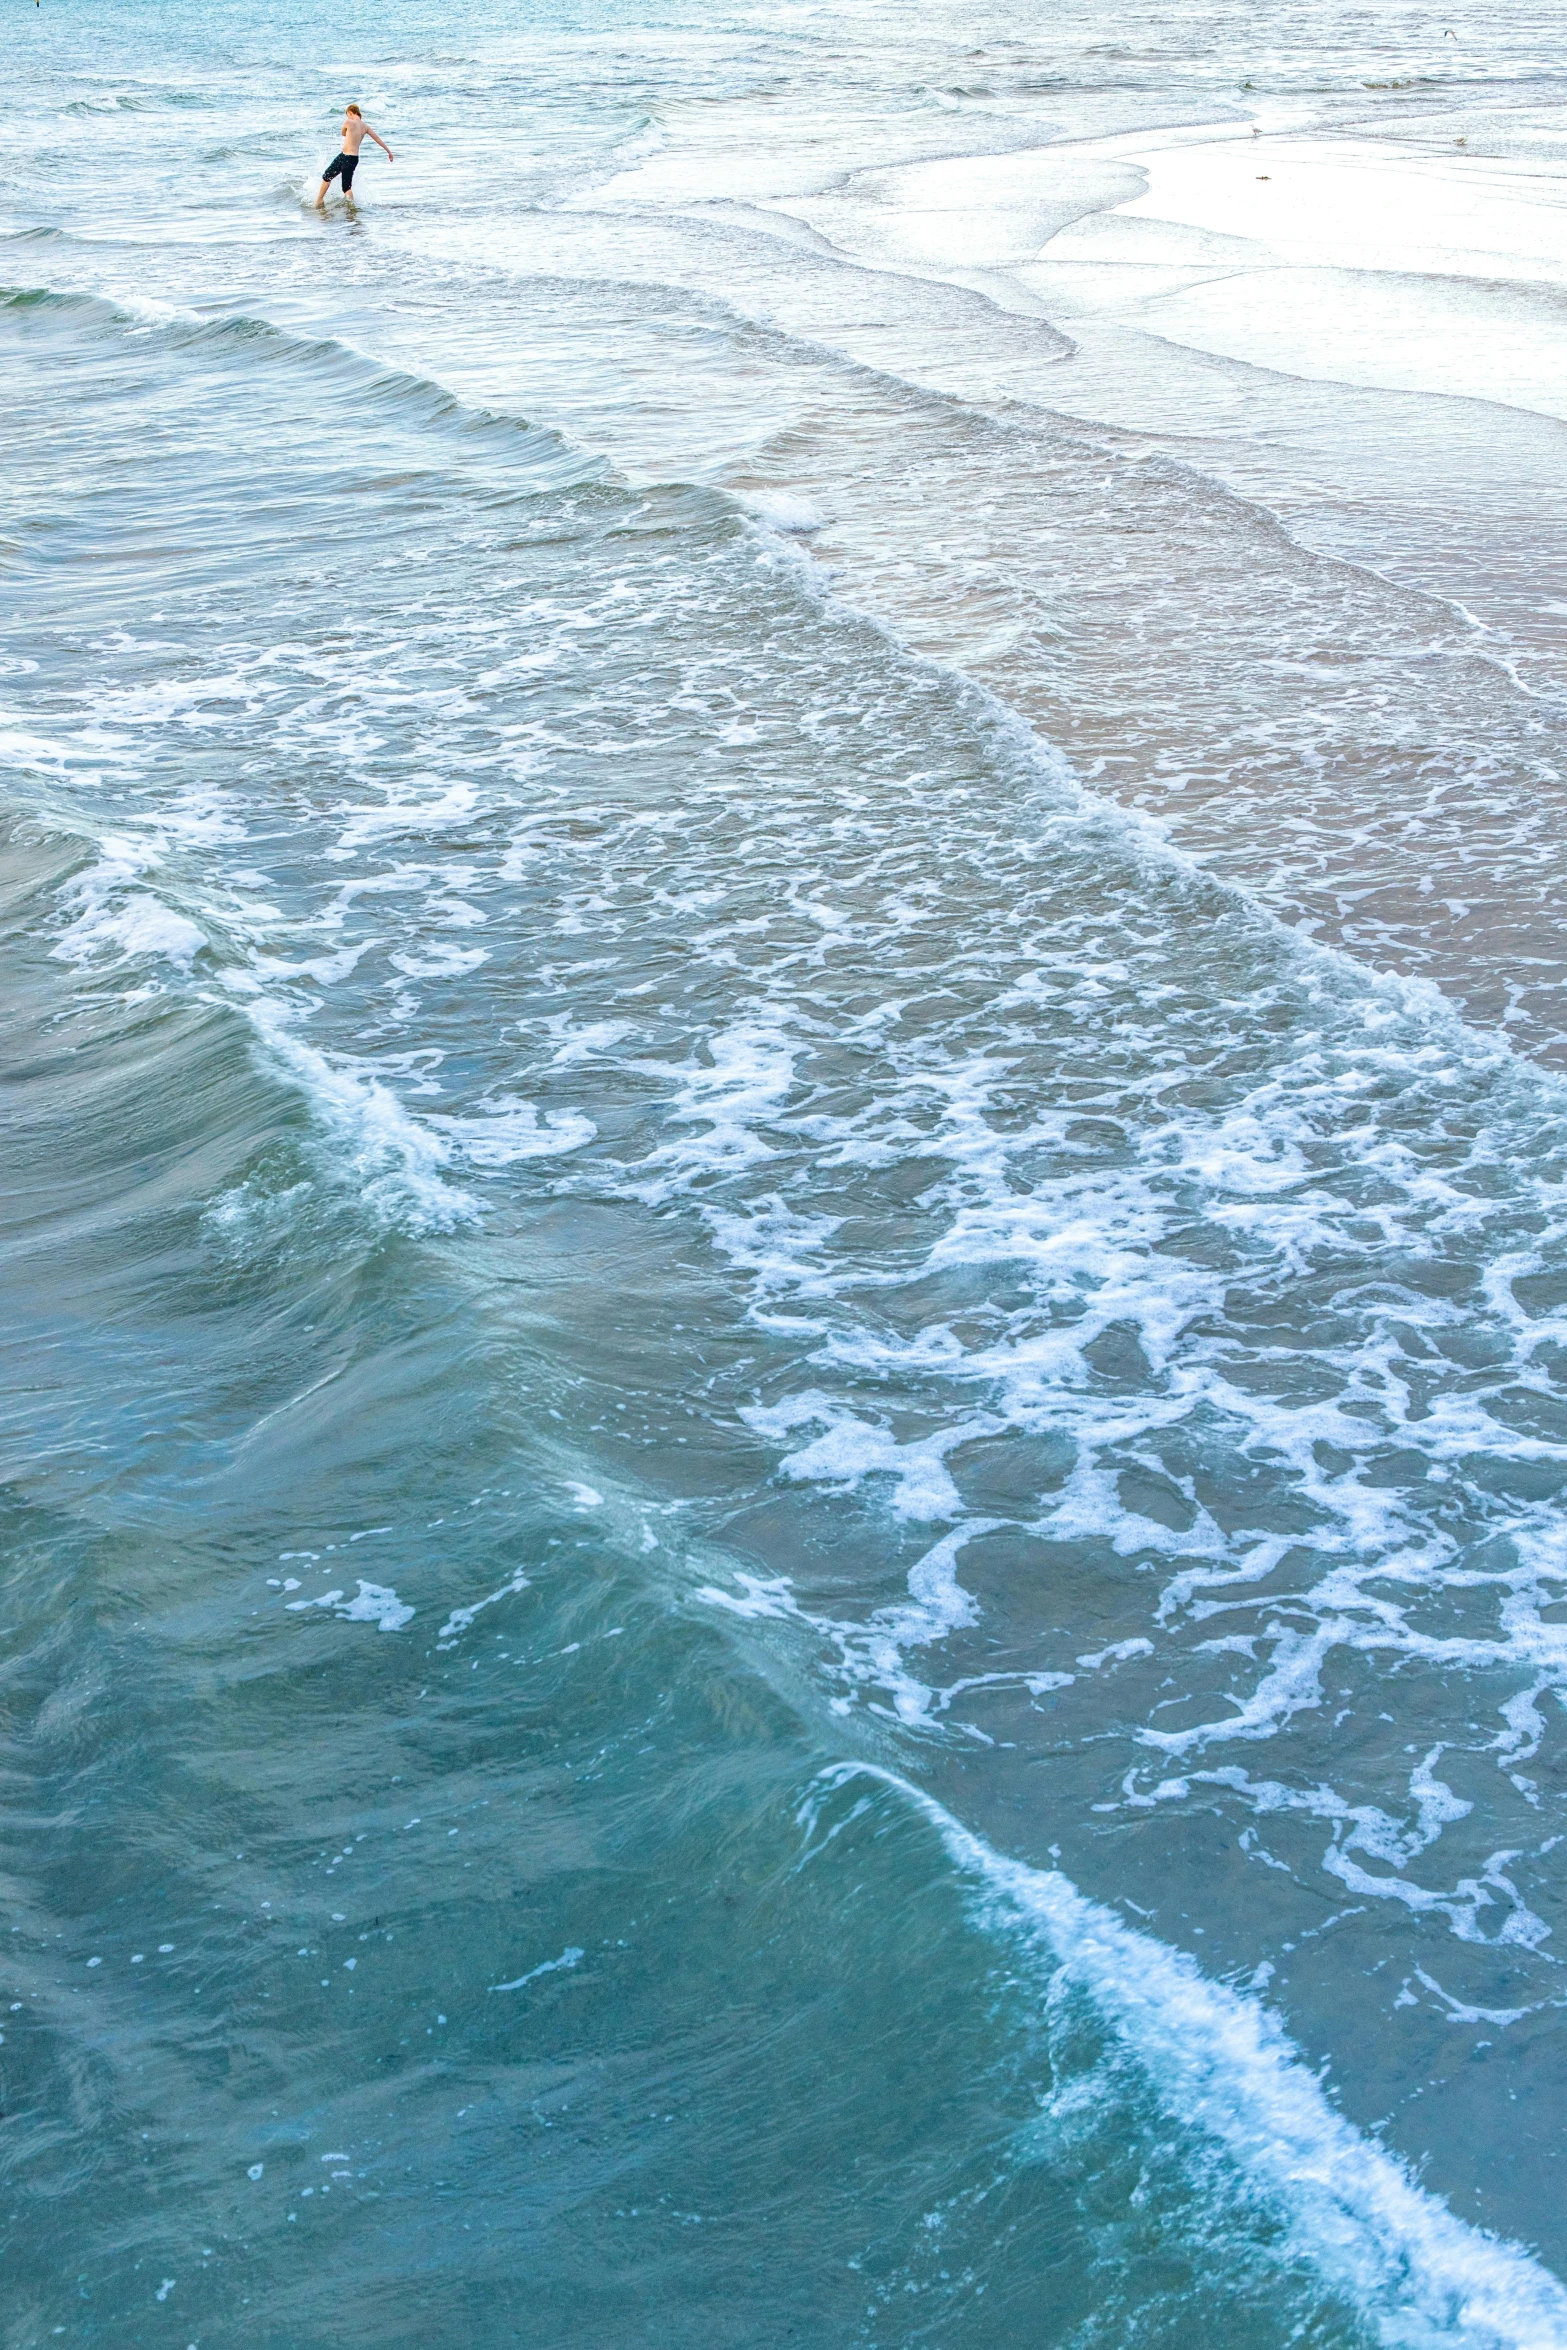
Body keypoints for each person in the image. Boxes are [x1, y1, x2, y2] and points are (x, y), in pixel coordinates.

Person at [315, 105, 393, 208]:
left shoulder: (348, 122)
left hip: (344, 156)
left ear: (351, 112)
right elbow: (377, 139)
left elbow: (343, 133)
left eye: (348, 115)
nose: (348, 117)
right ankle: (351, 209)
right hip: (354, 159)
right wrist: (389, 152)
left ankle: (319, 201)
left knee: (327, 176)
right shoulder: (365, 127)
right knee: (346, 187)